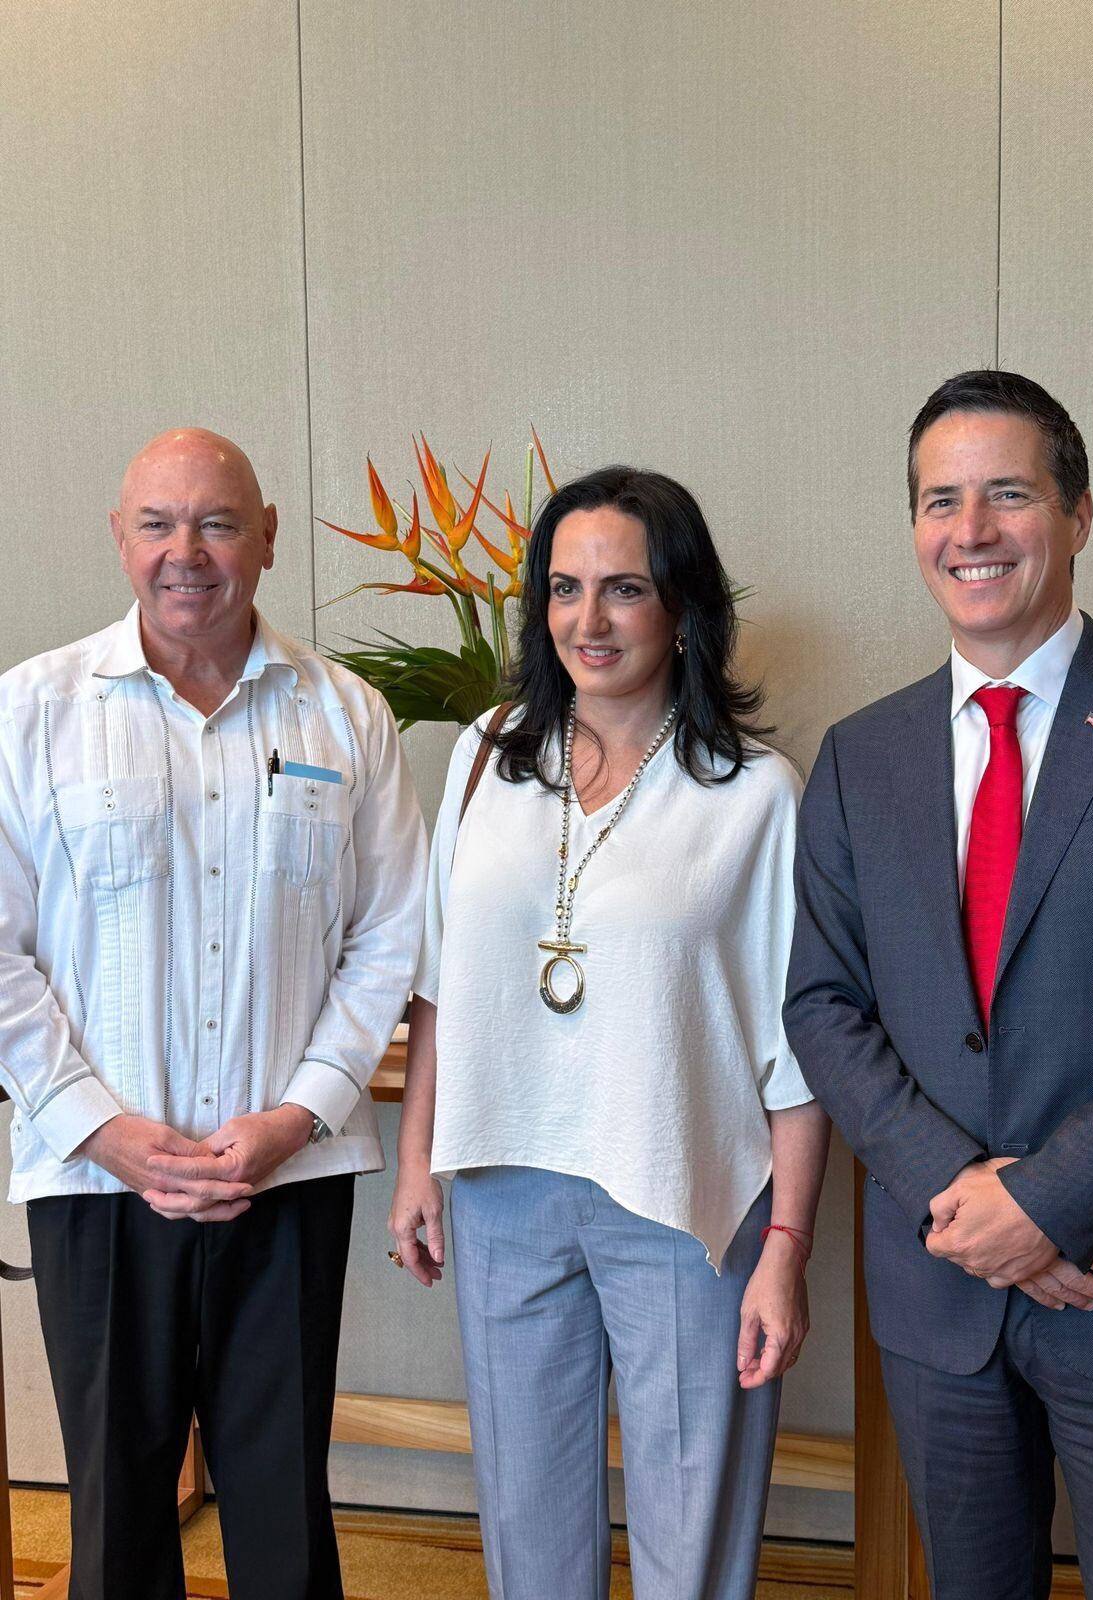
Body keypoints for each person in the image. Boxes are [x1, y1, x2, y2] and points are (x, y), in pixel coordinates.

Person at [785, 369, 1093, 1598]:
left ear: (1076, 512)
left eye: (1007, 495)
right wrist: (968, 1196)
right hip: (940, 1282)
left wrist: (1055, 1202)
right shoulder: (863, 756)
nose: (970, 531)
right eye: (939, 501)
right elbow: (824, 1003)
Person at [0, 429, 427, 1600]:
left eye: (218, 522)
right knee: (115, 1507)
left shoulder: (347, 716)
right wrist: (101, 1126)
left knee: (283, 1500)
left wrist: (300, 1114)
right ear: (119, 536)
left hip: (282, 1179)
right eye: (158, 523)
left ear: (269, 534)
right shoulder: (29, 712)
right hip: (95, 1184)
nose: (186, 552)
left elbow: (391, 935)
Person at [389, 465, 830, 1600]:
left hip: (683, 1198)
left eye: (624, 588)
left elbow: (798, 1047)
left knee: (694, 1542)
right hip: (499, 1186)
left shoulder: (756, 795)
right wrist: (417, 1163)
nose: (590, 619)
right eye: (566, 587)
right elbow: (443, 975)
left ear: (682, 608)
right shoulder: (488, 750)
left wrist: (786, 1246)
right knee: (527, 1531)